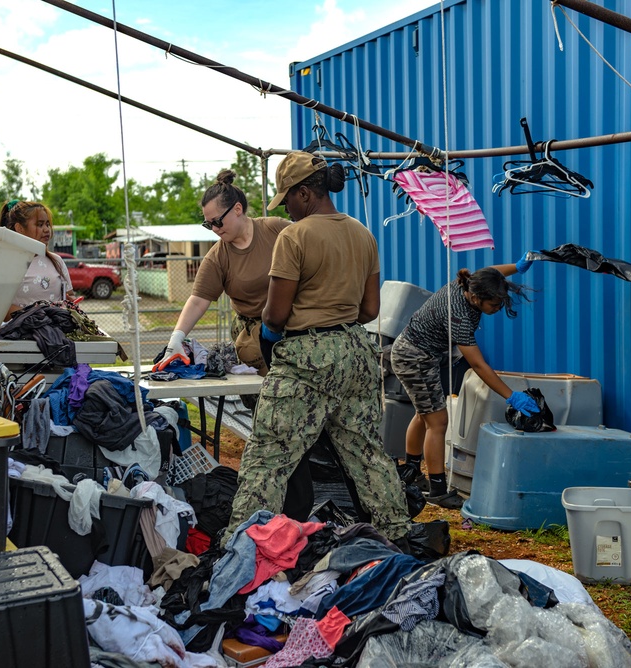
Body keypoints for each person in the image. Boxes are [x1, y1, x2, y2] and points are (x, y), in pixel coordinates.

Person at [223, 151, 411, 548]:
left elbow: (274, 315)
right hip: (357, 352)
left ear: (305, 193)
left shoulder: (295, 236)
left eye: (287, 199)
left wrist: (274, 337)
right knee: (367, 453)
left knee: (268, 458)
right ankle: (399, 537)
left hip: (306, 357)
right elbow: (371, 309)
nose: (286, 209)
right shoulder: (363, 233)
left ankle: (242, 547)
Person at [390, 260, 539, 508]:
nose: (498, 308)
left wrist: (518, 266)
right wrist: (511, 396)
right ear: (477, 298)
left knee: (424, 413)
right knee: (438, 422)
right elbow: (479, 366)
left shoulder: (470, 283)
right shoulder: (458, 315)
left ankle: (412, 473)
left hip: (415, 352)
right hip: (415, 357)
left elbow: (492, 273)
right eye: (494, 304)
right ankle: (437, 489)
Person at [154, 170, 290, 376]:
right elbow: (198, 300)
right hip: (253, 335)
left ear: (237, 209)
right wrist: (176, 339)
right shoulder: (218, 256)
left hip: (292, 326)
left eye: (217, 221)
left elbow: (310, 249)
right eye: (209, 225)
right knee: (262, 395)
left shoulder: (276, 230)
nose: (215, 229)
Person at [0, 199, 73, 317]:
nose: (47, 229)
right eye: (40, 224)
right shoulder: (5, 263)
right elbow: (0, 309)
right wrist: (37, 316)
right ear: (20, 228)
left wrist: (71, 303)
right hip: (18, 334)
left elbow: (70, 295)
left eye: (47, 224)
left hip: (55, 333)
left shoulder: (56, 261)